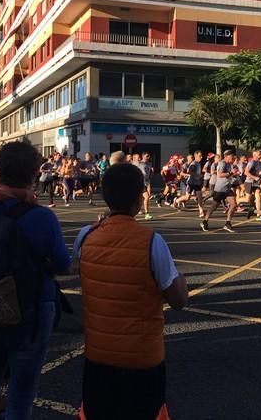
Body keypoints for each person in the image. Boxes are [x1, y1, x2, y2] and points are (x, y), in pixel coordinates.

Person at [0, 142, 70, 419]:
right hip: (29, 310)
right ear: (33, 174)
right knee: (20, 397)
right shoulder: (41, 217)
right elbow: (63, 264)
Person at [74, 163, 188, 420]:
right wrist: (180, 278)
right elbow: (178, 300)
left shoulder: (84, 237)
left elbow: (79, 271)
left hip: (98, 355)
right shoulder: (152, 241)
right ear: (139, 200)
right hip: (141, 359)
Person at [201, 150, 239, 233]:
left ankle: (228, 223)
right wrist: (230, 173)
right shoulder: (222, 163)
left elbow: (231, 173)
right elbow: (219, 175)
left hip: (227, 188)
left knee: (234, 204)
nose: (232, 158)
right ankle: (205, 221)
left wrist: (235, 173)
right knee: (214, 207)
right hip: (220, 189)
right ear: (226, 156)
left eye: (233, 157)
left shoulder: (230, 164)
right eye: (231, 157)